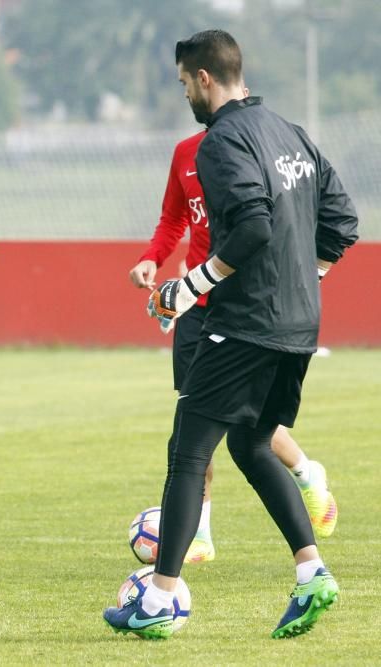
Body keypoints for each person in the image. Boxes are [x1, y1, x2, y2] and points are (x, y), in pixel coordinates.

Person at [105, 30, 358, 639]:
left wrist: (189, 287)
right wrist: (306, 276)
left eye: (184, 83)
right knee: (250, 444)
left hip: (244, 324)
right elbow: (343, 220)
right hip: (298, 323)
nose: (185, 93)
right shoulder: (290, 133)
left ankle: (160, 598)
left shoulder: (219, 143)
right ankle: (311, 573)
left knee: (189, 449)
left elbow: (252, 228)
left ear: (203, 79)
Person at [128, 124, 338, 563]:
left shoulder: (257, 149)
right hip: (197, 305)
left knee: (248, 425)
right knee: (195, 419)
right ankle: (200, 533)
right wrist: (152, 257)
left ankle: (305, 472)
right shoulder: (185, 152)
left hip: (248, 309)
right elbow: (174, 218)